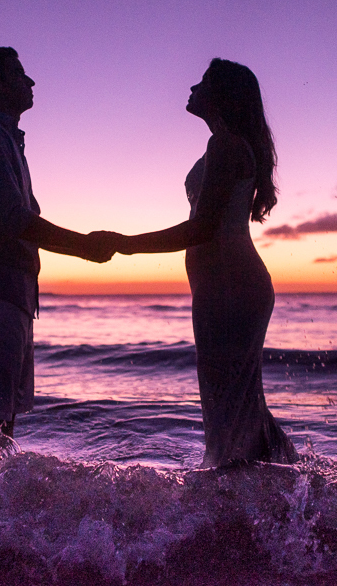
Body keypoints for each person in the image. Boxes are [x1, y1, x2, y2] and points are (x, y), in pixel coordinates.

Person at [98, 59, 296, 467]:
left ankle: (247, 498)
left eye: (203, 81)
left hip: (230, 285)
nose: (192, 86)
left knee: (228, 404)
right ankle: (282, 486)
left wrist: (128, 244)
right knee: (237, 401)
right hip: (225, 284)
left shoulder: (225, 145)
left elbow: (202, 228)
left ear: (221, 94)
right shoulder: (229, 144)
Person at [0, 46, 114, 464]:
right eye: (19, 74)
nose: (30, 82)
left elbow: (22, 219)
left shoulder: (6, 139)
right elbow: (15, 219)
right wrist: (85, 247)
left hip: (15, 290)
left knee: (2, 414)